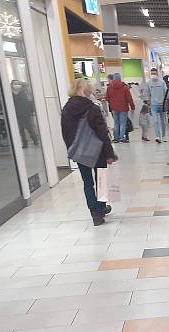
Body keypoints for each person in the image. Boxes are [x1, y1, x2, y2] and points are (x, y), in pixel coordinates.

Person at [61, 78, 117, 226]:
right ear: (87, 90)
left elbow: (65, 132)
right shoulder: (93, 108)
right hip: (97, 149)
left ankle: (95, 213)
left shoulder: (66, 109)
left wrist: (72, 148)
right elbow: (102, 132)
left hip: (79, 150)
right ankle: (101, 207)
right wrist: (109, 153)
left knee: (87, 182)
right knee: (101, 179)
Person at [104, 73, 134, 143]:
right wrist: (132, 107)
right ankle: (121, 137)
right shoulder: (125, 87)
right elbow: (129, 98)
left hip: (114, 108)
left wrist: (112, 103)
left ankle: (116, 138)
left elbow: (107, 98)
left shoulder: (109, 87)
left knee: (116, 123)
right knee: (123, 123)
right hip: (124, 108)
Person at [142, 67, 168, 143]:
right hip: (154, 105)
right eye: (152, 73)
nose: (153, 75)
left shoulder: (162, 82)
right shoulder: (149, 83)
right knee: (156, 121)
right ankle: (158, 136)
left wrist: (166, 103)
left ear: (157, 73)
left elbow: (166, 93)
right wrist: (148, 104)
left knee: (163, 121)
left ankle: (163, 136)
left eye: (155, 73)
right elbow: (147, 94)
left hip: (162, 105)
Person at [11, 80, 38, 148]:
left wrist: (21, 83)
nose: (16, 85)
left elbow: (27, 84)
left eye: (17, 84)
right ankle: (24, 143)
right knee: (21, 129)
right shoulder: (11, 94)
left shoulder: (23, 92)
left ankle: (35, 140)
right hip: (17, 113)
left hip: (26, 113)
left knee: (29, 127)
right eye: (14, 84)